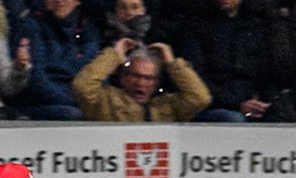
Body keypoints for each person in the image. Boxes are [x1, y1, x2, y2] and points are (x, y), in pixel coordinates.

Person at [72, 37, 210, 121]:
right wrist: (114, 55)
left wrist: (171, 63)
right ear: (123, 77)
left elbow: (200, 98)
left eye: (149, 78)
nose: (141, 83)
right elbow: (81, 86)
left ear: (156, 83)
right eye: (135, 76)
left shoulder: (168, 106)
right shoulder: (105, 100)